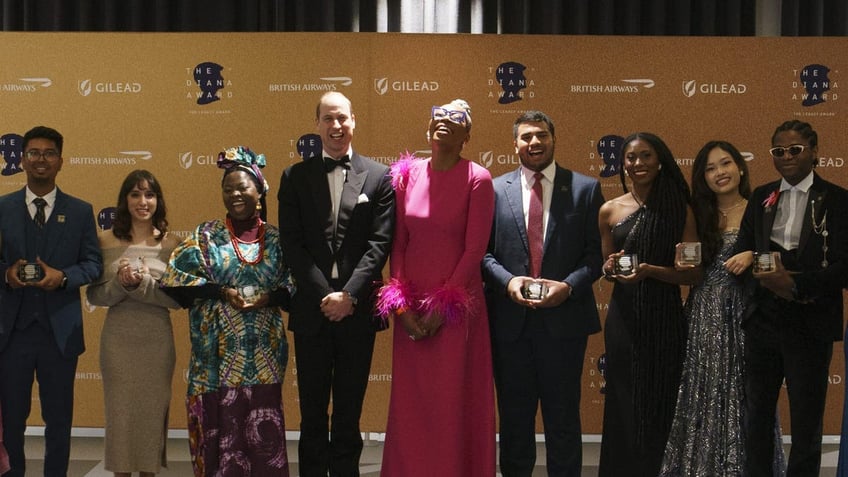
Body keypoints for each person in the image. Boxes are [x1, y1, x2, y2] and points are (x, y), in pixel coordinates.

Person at [277, 91, 394, 477]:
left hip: (357, 314)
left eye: (342, 118)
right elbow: (292, 245)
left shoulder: (379, 176)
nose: (336, 126)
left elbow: (379, 245)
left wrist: (349, 296)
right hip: (312, 311)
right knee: (312, 413)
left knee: (349, 412)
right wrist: (325, 295)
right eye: (328, 119)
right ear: (317, 125)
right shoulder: (294, 177)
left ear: (354, 120)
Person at [376, 99, 496, 476]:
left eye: (455, 120)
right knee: (413, 401)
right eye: (438, 118)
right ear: (428, 130)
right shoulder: (406, 175)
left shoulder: (478, 178)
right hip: (410, 309)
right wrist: (403, 307)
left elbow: (475, 249)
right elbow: (398, 244)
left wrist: (440, 308)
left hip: (456, 310)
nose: (444, 123)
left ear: (466, 136)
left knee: (450, 398)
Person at [481, 110, 604, 477]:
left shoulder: (585, 188)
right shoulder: (492, 190)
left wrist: (568, 287)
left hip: (563, 323)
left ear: (553, 138)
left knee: (563, 419)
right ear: (514, 144)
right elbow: (482, 254)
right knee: (515, 422)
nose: (534, 142)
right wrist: (507, 282)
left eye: (541, 135)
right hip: (510, 325)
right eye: (526, 137)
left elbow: (596, 256)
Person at [161, 146, 294, 476]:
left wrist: (270, 297)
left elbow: (296, 288)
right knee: (223, 439)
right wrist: (222, 291)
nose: (234, 194)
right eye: (228, 188)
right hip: (216, 362)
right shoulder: (206, 237)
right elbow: (175, 282)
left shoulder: (278, 240)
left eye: (242, 187)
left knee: (264, 438)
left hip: (263, 358)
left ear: (260, 190)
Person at [660, 141, 788, 476]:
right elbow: (686, 269)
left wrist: (752, 255)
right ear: (703, 177)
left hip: (747, 316)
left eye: (726, 163)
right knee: (700, 392)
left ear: (741, 168)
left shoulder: (761, 208)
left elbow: (781, 260)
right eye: (711, 168)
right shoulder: (696, 214)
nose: (720, 173)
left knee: (748, 396)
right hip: (703, 315)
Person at [734, 120, 848, 477]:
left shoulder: (839, 200)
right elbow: (744, 251)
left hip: (810, 322)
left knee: (807, 423)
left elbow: (844, 268)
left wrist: (795, 286)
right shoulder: (762, 196)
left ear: (814, 152)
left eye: (795, 149)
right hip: (763, 322)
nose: (786, 157)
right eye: (778, 151)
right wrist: (760, 274)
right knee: (757, 420)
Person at [596, 132, 701, 477]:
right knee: (623, 402)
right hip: (623, 320)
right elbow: (607, 266)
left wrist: (652, 271)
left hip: (665, 318)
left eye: (646, 156)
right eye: (631, 157)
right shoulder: (609, 210)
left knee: (661, 400)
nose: (638, 163)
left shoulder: (679, 209)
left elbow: (691, 275)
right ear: (622, 163)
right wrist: (610, 268)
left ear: (660, 162)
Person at [0, 125, 103, 477]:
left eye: (48, 153)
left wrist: (63, 278)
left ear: (61, 161)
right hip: (11, 333)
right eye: (33, 153)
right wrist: (5, 274)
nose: (40, 159)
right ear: (22, 159)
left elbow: (92, 264)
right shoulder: (2, 207)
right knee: (11, 422)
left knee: (58, 422)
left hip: (60, 332)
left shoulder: (79, 211)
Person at [85, 170, 181, 477]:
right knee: (121, 418)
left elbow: (178, 300)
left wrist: (142, 285)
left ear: (158, 201)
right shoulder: (103, 241)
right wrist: (121, 284)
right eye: (135, 194)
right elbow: (96, 296)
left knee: (152, 418)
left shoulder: (173, 244)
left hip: (157, 342)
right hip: (118, 343)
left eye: (150, 195)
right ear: (124, 200)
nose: (143, 202)